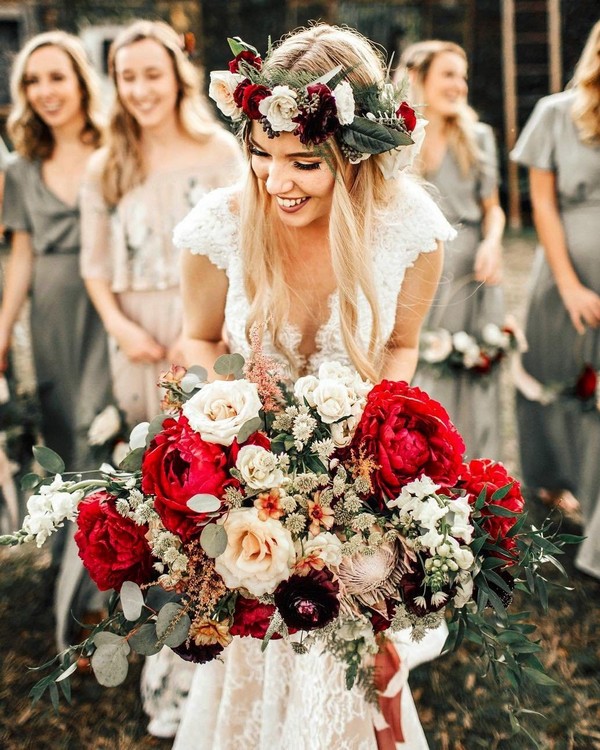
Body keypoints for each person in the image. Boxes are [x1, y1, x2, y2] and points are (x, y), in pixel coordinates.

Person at [172, 24, 456, 750]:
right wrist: (228, 425)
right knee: (253, 659)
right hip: (248, 490)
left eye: (303, 162)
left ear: (357, 157)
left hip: (357, 484)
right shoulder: (220, 227)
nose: (276, 181)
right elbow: (199, 340)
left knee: (353, 667)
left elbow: (401, 344)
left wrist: (372, 433)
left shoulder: (411, 231)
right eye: (261, 156)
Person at [78, 19, 244, 738]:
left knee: (209, 489)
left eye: (152, 73)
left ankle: (215, 642)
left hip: (206, 331)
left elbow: (243, 246)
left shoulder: (218, 151)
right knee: (150, 498)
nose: (139, 89)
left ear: (178, 74)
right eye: (125, 76)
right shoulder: (107, 161)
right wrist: (121, 328)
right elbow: (93, 264)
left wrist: (203, 336)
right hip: (137, 338)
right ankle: (162, 647)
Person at [0, 31, 113, 649]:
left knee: (108, 431)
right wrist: (0, 331)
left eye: (56, 77)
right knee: (67, 437)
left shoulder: (113, 146)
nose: (45, 92)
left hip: (108, 309)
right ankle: (72, 568)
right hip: (51, 315)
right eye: (32, 82)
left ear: (80, 82)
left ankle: (100, 586)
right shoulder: (21, 167)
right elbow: (20, 256)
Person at [510, 20, 600, 568]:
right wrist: (569, 285)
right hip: (562, 281)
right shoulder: (555, 112)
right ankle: (552, 480)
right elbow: (542, 205)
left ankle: (594, 500)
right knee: (556, 381)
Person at [400, 40, 506, 461]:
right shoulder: (398, 139)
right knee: (425, 371)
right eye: (448, 74)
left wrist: (494, 244)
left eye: (462, 76)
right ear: (417, 79)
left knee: (477, 373)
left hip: (471, 271)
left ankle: (482, 471)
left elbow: (493, 209)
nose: (459, 85)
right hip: (420, 269)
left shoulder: (478, 137)